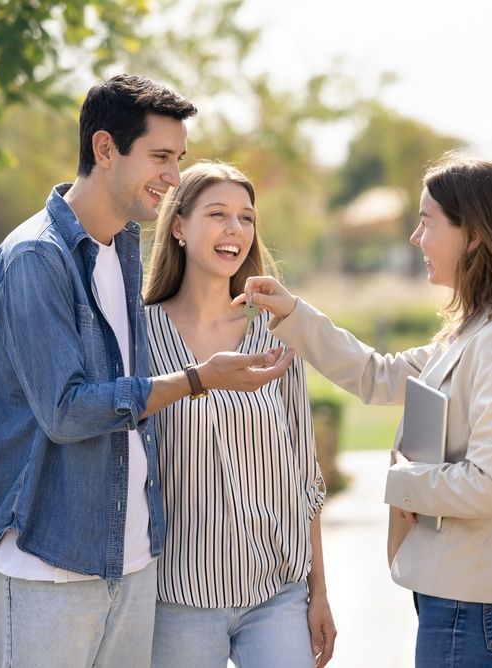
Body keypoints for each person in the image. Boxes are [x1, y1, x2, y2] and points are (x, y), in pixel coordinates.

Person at [0, 75, 296, 668]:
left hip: (133, 563)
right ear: (104, 150)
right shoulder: (34, 258)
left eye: (179, 159)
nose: (173, 177)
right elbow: (67, 411)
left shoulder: (123, 248)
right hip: (48, 564)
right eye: (160, 157)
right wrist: (198, 378)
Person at [240, 154, 492, 667]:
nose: (416, 239)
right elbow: (378, 374)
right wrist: (293, 313)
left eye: (426, 222)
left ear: (475, 235)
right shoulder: (477, 329)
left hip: (474, 607)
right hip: (459, 601)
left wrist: (400, 480)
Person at [142, 160, 337, 668]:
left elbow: (305, 472)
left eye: (246, 218)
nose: (235, 230)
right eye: (218, 214)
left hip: (277, 593)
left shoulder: (276, 331)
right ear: (179, 226)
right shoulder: (137, 336)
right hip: (178, 596)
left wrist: (319, 592)